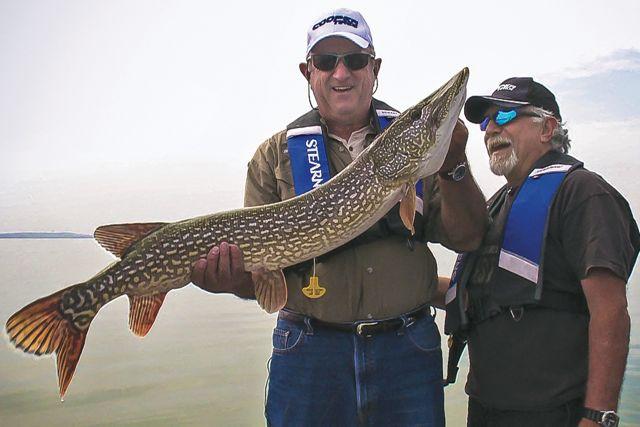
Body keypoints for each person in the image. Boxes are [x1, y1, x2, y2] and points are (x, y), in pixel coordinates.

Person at [191, 8, 486, 426]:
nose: (341, 73)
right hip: (309, 355)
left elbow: (471, 237)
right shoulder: (273, 157)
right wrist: (228, 278)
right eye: (327, 62)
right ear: (308, 72)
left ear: (375, 67)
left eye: (355, 59)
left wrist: (454, 165)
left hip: (407, 351)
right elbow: (257, 279)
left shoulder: (411, 152)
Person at [443, 77, 640, 426]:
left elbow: (610, 311)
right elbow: (485, 295)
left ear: (548, 128)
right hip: (487, 408)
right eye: (486, 122)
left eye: (504, 117)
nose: (490, 130)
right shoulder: (495, 206)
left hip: (553, 411)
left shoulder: (583, 193)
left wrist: (598, 416)